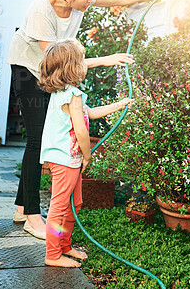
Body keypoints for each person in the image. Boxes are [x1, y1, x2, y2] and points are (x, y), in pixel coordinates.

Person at [7, 0, 178, 239]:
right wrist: (106, 59)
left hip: (55, 64)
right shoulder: (41, 12)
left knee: (40, 136)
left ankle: (20, 208)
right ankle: (31, 216)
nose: (92, 0)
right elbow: (56, 63)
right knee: (37, 140)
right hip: (29, 70)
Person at [37, 38, 133, 267]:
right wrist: (87, 155)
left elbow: (88, 113)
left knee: (74, 203)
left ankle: (64, 245)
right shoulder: (72, 95)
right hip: (66, 159)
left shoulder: (65, 93)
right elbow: (81, 130)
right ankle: (52, 255)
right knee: (59, 206)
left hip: (65, 158)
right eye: (81, 60)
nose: (85, 64)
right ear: (73, 67)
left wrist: (118, 105)